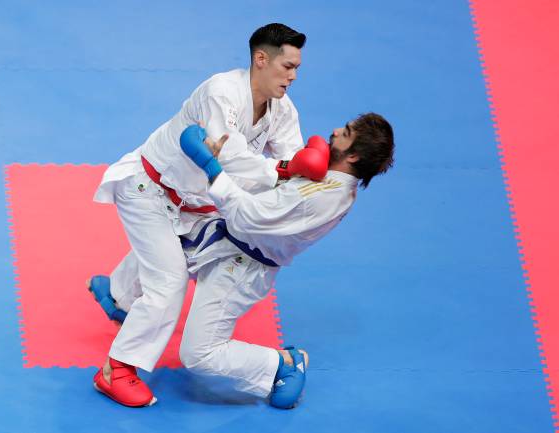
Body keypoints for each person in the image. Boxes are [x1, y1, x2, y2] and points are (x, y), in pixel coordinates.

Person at [89, 23, 330, 407]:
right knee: (169, 283)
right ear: (261, 59)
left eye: (297, 68)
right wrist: (284, 168)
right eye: (287, 66)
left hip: (198, 204)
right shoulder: (222, 92)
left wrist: (310, 176)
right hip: (150, 189)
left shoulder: (282, 111)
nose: (293, 76)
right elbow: (229, 157)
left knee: (191, 252)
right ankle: (115, 370)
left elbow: (293, 164)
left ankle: (118, 294)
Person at [176, 113, 394, 408]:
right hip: (227, 241)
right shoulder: (325, 173)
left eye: (345, 132)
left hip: (240, 268)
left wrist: (211, 167)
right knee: (156, 236)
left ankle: (281, 364)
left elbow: (249, 216)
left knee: (198, 354)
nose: (333, 130)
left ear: (353, 155)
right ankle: (123, 299)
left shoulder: (323, 197)